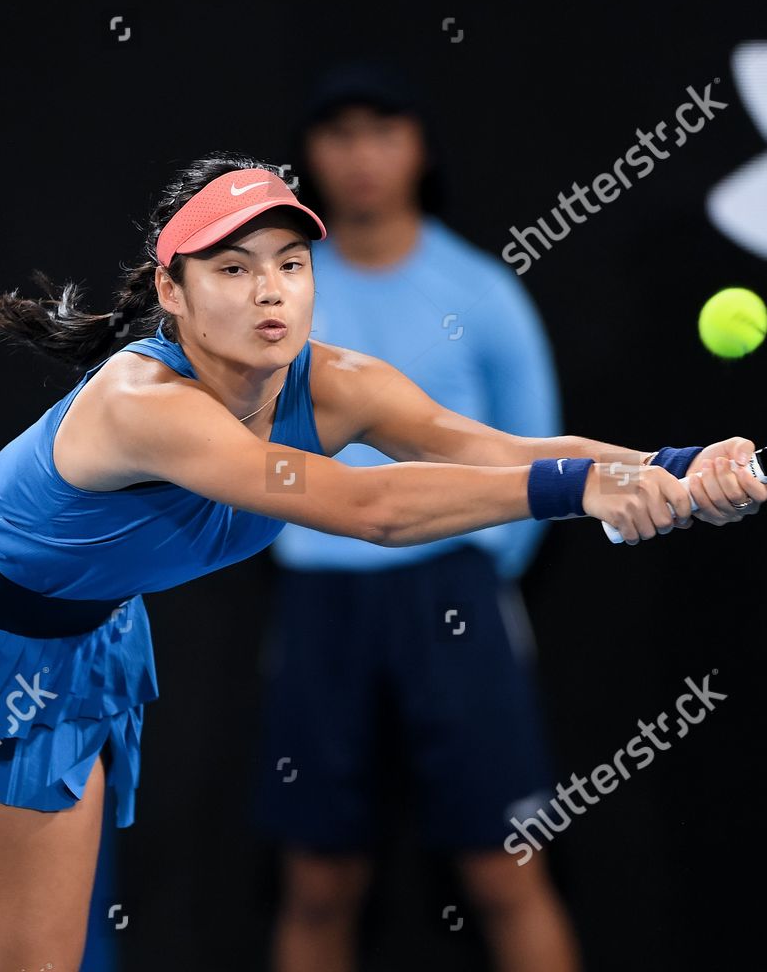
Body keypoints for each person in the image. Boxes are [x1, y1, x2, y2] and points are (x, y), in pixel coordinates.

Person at [0, 152, 767, 972]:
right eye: (234, 268)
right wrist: (576, 492)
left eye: (291, 264)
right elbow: (369, 507)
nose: (272, 293)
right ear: (172, 289)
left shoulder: (338, 384)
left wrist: (669, 467)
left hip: (64, 665)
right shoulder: (142, 404)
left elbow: (490, 450)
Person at [255, 62, 580, 971]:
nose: (361, 156)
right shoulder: (275, 295)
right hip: (321, 609)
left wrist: (470, 564)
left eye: (384, 131)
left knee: (508, 871)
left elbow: (534, 456)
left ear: (421, 149)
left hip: (456, 600)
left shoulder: (482, 294)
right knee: (318, 881)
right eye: (340, 133)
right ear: (310, 155)